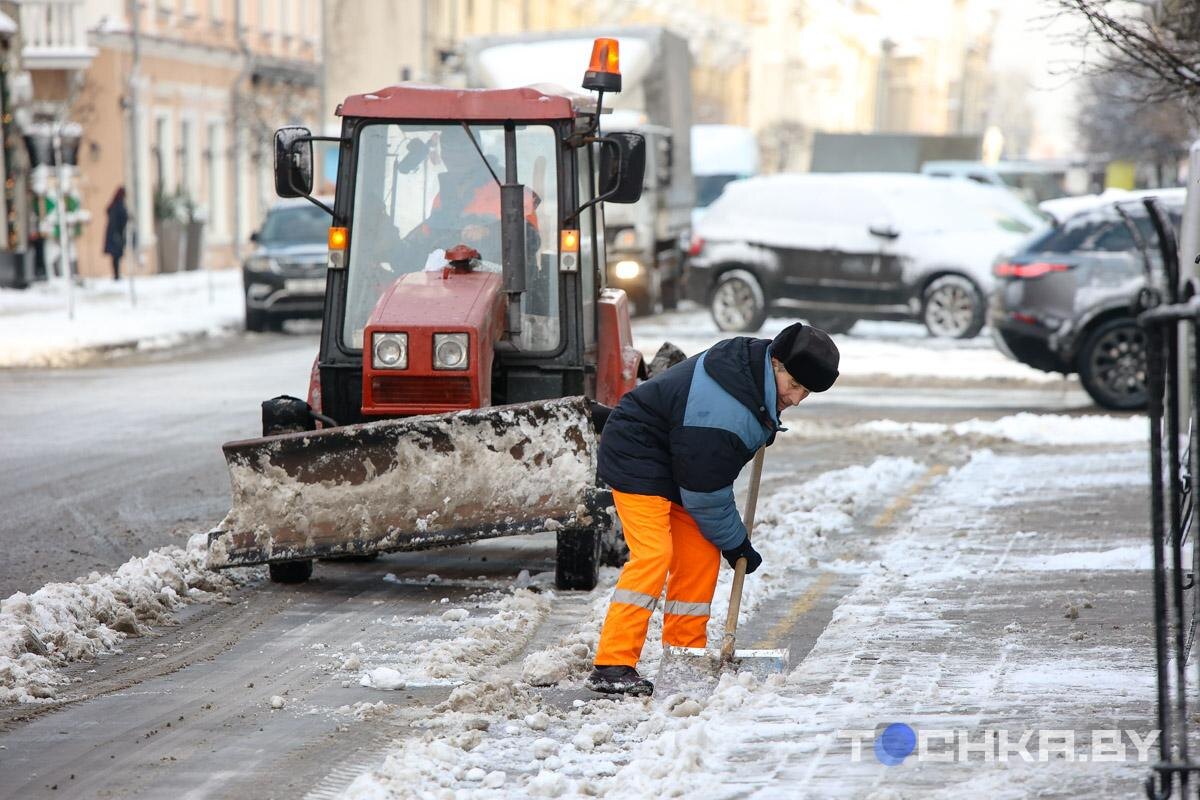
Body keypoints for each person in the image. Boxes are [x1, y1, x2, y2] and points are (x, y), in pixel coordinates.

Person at [586, 322, 841, 696]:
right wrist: (736, 543)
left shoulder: (753, 376)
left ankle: (684, 657)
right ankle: (612, 664)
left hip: (680, 464)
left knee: (700, 556)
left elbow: (703, 476)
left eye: (806, 392)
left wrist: (765, 420)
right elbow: (705, 491)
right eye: (795, 385)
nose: (797, 399)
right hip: (636, 454)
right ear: (775, 364)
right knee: (655, 555)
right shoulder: (727, 407)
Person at [103, 187, 129, 281]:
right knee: (116, 255)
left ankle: (116, 274)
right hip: (116, 233)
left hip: (114, 233)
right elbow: (122, 218)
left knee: (115, 256)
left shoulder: (114, 204)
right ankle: (116, 275)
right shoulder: (118, 205)